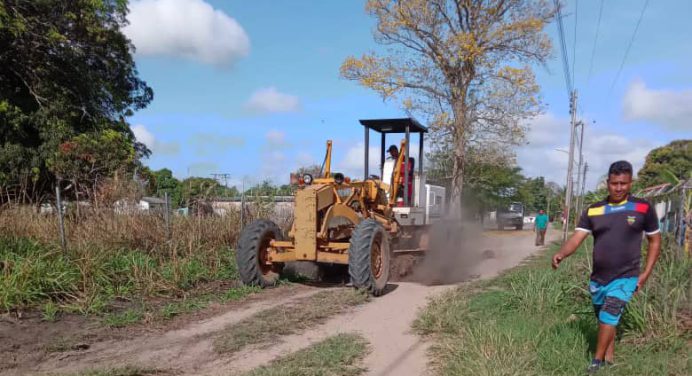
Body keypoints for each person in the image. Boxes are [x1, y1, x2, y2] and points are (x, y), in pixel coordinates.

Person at [551, 161, 661, 374]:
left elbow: (655, 241)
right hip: (598, 278)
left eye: (623, 183)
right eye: (614, 183)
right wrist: (561, 254)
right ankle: (610, 358)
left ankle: (597, 361)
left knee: (608, 316)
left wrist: (645, 273)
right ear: (607, 183)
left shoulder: (643, 208)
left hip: (626, 275)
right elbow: (578, 237)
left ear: (631, 183)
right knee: (604, 317)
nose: (619, 188)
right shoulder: (594, 210)